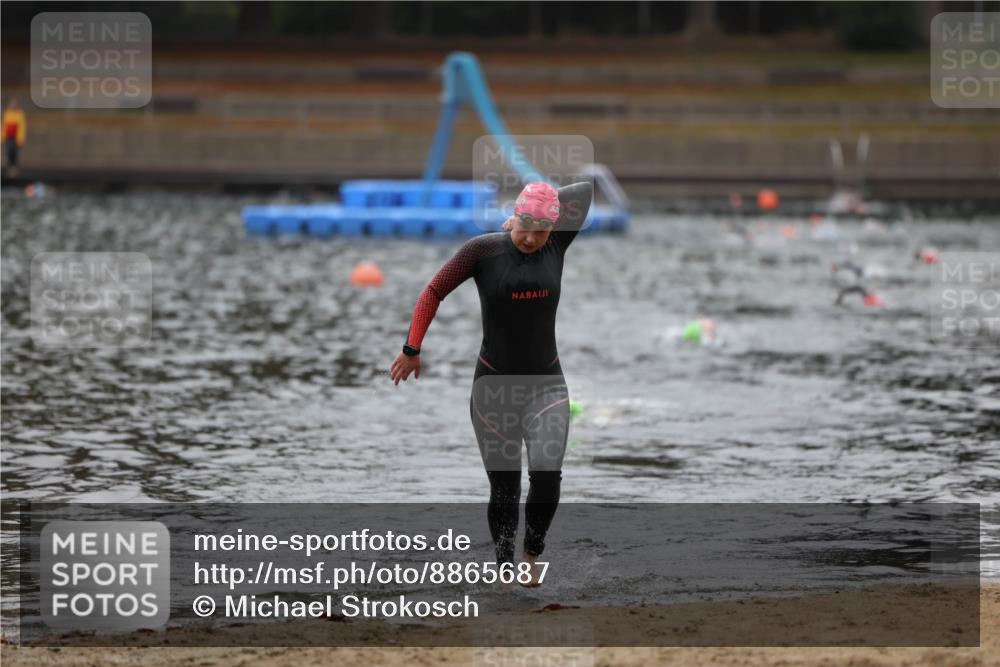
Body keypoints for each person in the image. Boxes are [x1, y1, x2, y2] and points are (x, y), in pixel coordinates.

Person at [390, 181, 593, 587]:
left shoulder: (557, 243)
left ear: (554, 227)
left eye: (541, 229)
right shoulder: (482, 250)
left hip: (546, 385)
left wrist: (541, 206)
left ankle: (531, 554)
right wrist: (412, 347)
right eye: (524, 228)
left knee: (547, 473)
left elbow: (584, 191)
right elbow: (434, 290)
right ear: (512, 216)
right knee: (504, 488)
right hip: (493, 389)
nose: (532, 239)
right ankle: (503, 569)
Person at [3, 99, 26, 178]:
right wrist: (2, 136)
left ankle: (15, 169)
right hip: (8, 137)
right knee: (9, 152)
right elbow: (4, 125)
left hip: (15, 138)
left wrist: (20, 139)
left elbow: (22, 127)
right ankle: (9, 169)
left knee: (14, 153)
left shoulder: (19, 114)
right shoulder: (7, 113)